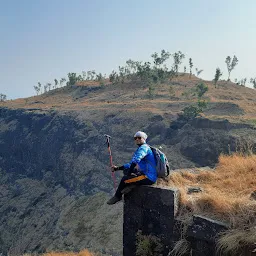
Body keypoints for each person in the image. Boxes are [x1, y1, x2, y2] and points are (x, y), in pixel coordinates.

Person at [107, 131, 157, 205]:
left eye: (139, 138)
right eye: (135, 138)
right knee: (127, 171)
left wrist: (129, 173)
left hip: (148, 177)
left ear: (144, 139)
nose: (137, 139)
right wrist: (118, 168)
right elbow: (131, 164)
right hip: (145, 174)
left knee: (124, 179)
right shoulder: (144, 148)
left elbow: (136, 160)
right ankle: (132, 185)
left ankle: (117, 196)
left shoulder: (144, 148)